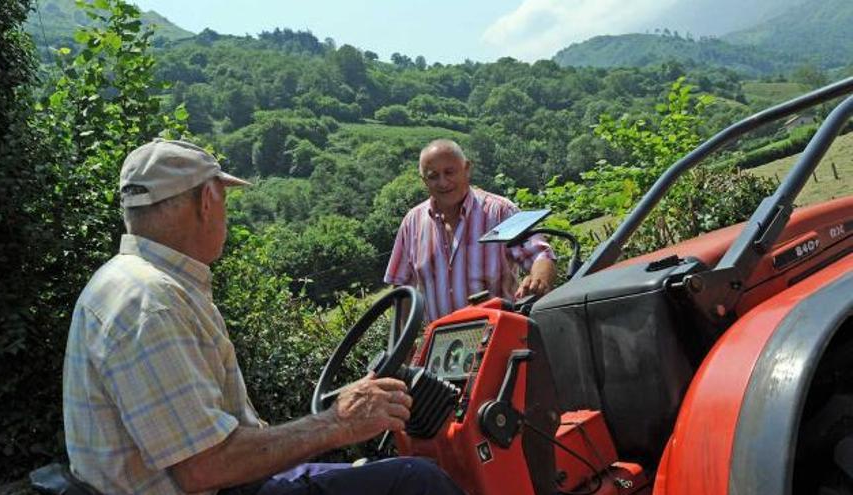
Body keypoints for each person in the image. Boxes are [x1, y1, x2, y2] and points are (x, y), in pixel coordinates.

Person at [62, 139, 463, 495]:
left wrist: (337, 415)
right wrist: (337, 423)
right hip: (221, 485)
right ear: (206, 200)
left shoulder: (126, 282)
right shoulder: (153, 303)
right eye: (225, 199)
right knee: (417, 481)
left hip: (225, 481)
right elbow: (206, 467)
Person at [385, 139, 557, 322]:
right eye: (433, 176)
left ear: (467, 169)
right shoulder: (412, 223)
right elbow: (401, 288)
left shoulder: (500, 211)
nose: (443, 182)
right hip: (442, 346)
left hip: (498, 337)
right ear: (423, 181)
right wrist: (403, 342)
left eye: (449, 172)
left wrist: (538, 279)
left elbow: (541, 255)